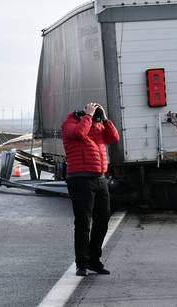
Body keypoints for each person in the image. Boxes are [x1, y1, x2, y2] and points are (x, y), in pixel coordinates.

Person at [61, 102, 120, 277]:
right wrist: (87, 115)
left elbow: (113, 138)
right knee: (83, 223)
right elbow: (79, 133)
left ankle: (94, 260)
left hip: (100, 178)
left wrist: (106, 118)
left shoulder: (96, 125)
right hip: (80, 179)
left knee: (102, 221)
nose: (93, 115)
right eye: (90, 112)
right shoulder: (69, 124)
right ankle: (82, 263)